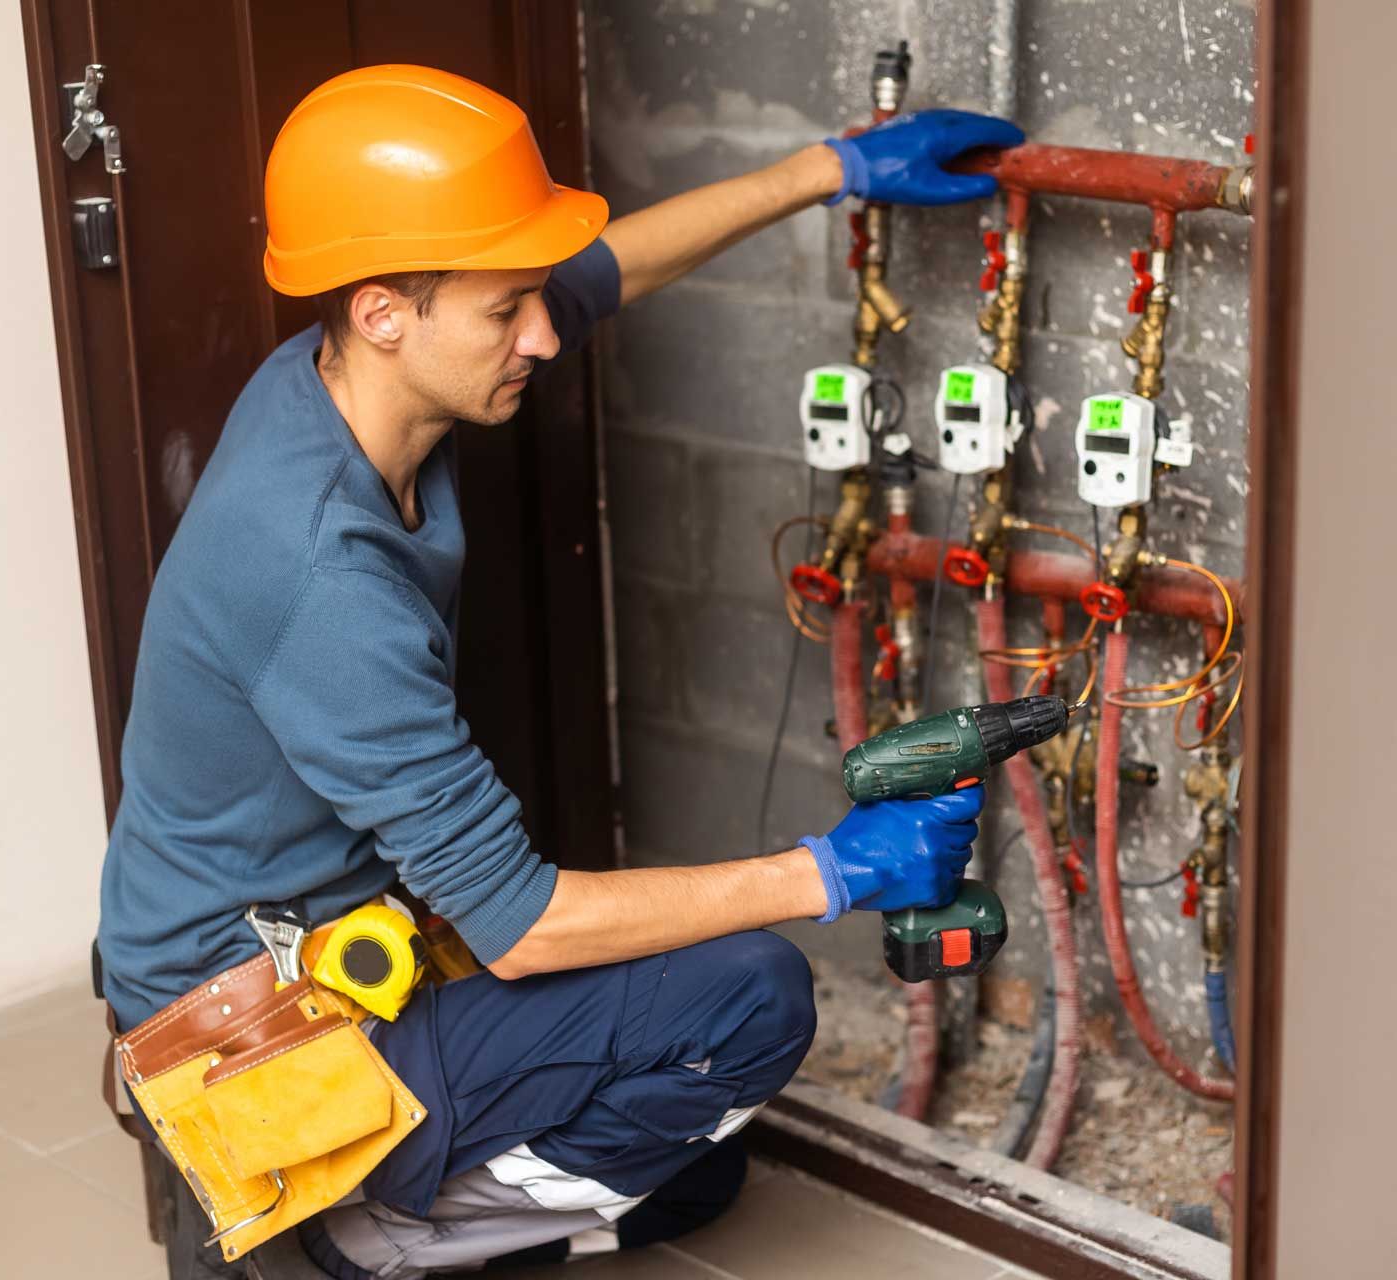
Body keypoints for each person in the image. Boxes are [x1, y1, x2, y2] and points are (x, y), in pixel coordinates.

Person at [94, 64, 1022, 1279]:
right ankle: (344, 1232)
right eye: (506, 310)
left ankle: (410, 1194)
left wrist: (831, 170)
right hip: (247, 1031)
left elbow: (604, 271)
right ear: (385, 310)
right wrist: (830, 870)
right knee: (752, 994)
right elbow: (524, 925)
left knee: (703, 1176)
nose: (542, 332)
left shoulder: (347, 376)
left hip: (340, 936)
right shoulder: (317, 571)